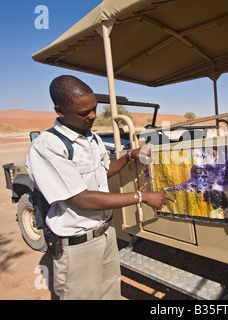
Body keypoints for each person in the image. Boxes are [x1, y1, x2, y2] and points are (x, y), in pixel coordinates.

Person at [26, 75, 175, 300]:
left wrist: (128, 156)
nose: (93, 116)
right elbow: (81, 199)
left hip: (105, 234)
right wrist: (141, 196)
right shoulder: (48, 146)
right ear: (60, 110)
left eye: (94, 108)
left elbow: (103, 171)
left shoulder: (92, 138)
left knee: (110, 293)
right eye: (84, 113)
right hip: (77, 245)